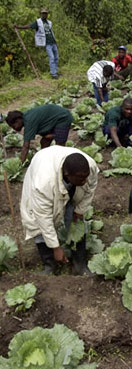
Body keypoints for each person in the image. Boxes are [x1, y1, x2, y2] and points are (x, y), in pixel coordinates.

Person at [20, 146, 99, 275]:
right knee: (38, 223)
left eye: (86, 177)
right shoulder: (43, 184)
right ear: (67, 174)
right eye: (81, 178)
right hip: (43, 173)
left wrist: (80, 210)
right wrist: (55, 247)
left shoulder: (89, 167)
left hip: (65, 176)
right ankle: (50, 265)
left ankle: (80, 264)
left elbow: (90, 188)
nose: (84, 181)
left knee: (76, 222)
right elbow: (43, 218)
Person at [6, 105, 73, 163]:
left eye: (14, 126)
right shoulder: (26, 117)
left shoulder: (29, 122)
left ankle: (61, 161)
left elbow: (26, 146)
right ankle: (45, 159)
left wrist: (20, 163)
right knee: (44, 141)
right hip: (53, 120)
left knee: (59, 146)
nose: (14, 129)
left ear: (18, 121)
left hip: (63, 117)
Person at [15, 8, 59, 79]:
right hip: (47, 44)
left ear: (47, 14)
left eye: (46, 13)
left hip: (53, 42)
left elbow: (51, 33)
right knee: (52, 58)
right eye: (43, 13)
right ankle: (53, 74)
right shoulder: (38, 22)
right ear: (41, 14)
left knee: (56, 58)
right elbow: (29, 26)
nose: (44, 14)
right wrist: (19, 27)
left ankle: (56, 72)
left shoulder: (49, 22)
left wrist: (56, 42)